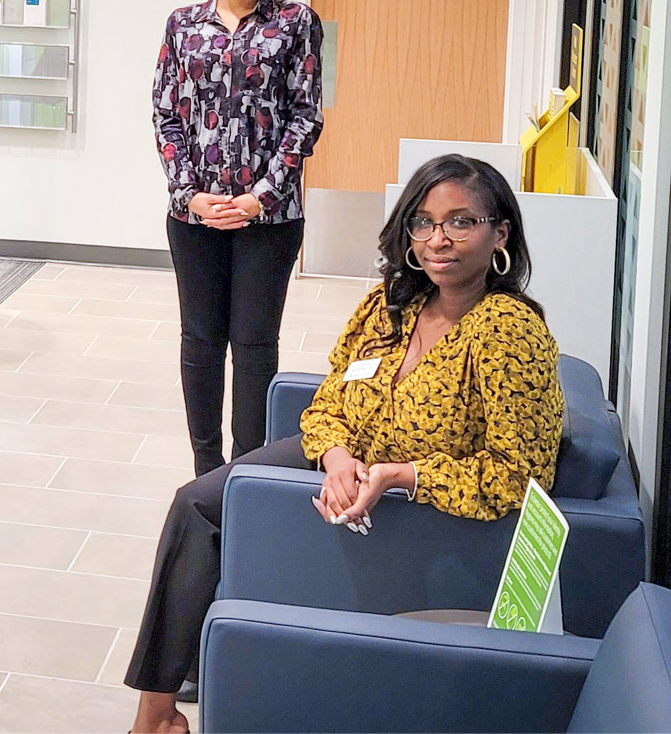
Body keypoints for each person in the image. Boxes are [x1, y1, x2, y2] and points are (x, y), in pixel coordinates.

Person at [124, 154, 564, 734]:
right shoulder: (391, 304)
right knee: (197, 502)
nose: (440, 239)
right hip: (336, 462)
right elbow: (330, 399)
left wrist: (399, 475)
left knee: (213, 506)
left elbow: (522, 473)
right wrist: (337, 458)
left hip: (410, 501)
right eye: (424, 222)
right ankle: (156, 714)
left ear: (499, 233)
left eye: (461, 222)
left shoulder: (509, 331)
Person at [154, 0, 325, 477]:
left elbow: (306, 118)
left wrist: (261, 197)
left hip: (270, 220)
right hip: (196, 215)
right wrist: (190, 195)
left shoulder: (297, 23)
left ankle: (246, 470)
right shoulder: (183, 24)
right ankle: (205, 470)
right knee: (200, 342)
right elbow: (165, 114)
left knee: (254, 346)